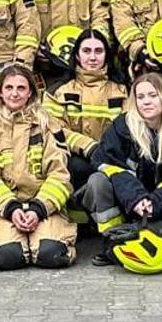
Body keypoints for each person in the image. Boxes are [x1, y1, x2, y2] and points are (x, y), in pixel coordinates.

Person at [84, 73, 162, 261]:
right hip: (128, 201)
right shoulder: (121, 127)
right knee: (97, 181)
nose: (146, 102)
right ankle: (113, 241)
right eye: (140, 97)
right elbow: (108, 164)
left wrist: (153, 204)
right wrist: (136, 199)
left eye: (152, 95)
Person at [0, 67, 78, 270]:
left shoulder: (48, 125)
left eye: (21, 88)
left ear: (31, 92)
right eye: (9, 88)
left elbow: (59, 174)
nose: (14, 93)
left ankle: (39, 238)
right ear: (0, 92)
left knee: (51, 254)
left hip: (45, 207)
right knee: (7, 257)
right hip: (5, 210)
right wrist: (11, 209)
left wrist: (38, 209)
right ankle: (17, 239)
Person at [44, 31, 126, 199]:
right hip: (76, 159)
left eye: (98, 51)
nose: (93, 57)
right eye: (86, 51)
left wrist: (108, 150)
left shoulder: (123, 90)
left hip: (113, 156)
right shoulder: (58, 91)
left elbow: (131, 128)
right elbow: (54, 129)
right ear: (77, 56)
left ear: (107, 56)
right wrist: (88, 147)